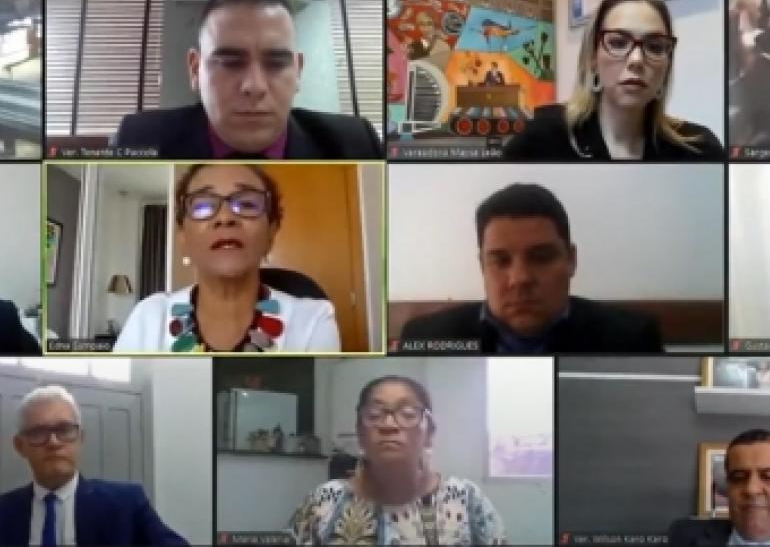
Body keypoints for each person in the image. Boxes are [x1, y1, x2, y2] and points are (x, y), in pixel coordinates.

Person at [113, 0, 382, 159]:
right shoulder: (138, 140)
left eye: (276, 63)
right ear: (195, 70)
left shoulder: (356, 145)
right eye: (230, 62)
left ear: (298, 71)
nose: (255, 86)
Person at [398, 183, 664, 353]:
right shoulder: (426, 338)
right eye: (501, 260)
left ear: (571, 260)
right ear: (482, 266)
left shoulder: (631, 338)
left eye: (541, 257)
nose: (520, 279)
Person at [115, 164, 340, 352]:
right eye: (203, 206)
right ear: (183, 237)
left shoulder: (313, 320)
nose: (225, 217)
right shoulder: (148, 316)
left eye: (247, 204)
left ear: (271, 232)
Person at [504, 0, 723, 160]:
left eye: (655, 47)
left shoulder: (701, 149)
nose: (636, 60)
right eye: (618, 43)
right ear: (592, 58)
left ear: (667, 64)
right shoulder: (539, 142)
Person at [290, 376, 507, 545]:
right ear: (359, 432)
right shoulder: (323, 502)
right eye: (374, 415)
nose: (389, 425)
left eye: (408, 413)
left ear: (429, 431)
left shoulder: (467, 500)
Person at [0, 385, 187, 546]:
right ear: (20, 446)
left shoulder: (127, 505)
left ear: (80, 438)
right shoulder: (4, 511)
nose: (54, 442)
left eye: (65, 429)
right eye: (39, 432)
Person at [669, 429, 770, 546]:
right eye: (738, 477)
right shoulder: (683, 535)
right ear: (727, 487)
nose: (751, 489)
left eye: (768, 476)